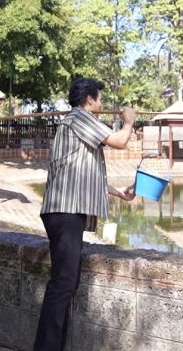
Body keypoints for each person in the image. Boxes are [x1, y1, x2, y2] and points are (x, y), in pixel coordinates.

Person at [34, 78, 138, 351]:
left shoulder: (74, 123)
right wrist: (128, 121)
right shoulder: (80, 117)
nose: (101, 103)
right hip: (65, 211)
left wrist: (118, 193)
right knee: (63, 283)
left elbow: (84, 174)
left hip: (65, 211)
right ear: (89, 100)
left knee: (67, 283)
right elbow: (119, 141)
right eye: (99, 98)